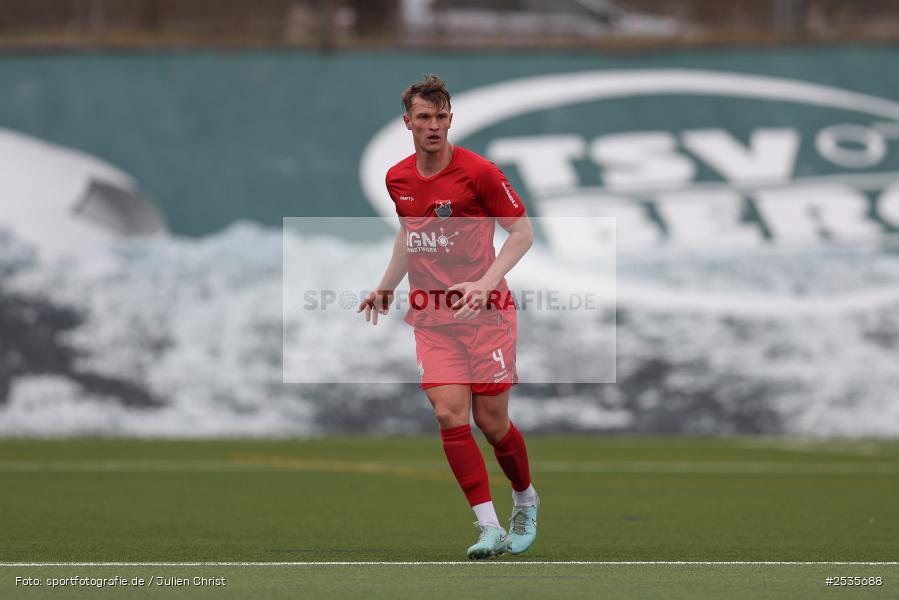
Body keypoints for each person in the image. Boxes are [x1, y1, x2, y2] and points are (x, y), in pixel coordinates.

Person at [357, 74, 539, 560]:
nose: (433, 125)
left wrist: (485, 284)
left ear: (451, 119)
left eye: (440, 117)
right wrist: (386, 285)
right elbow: (410, 235)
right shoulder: (397, 178)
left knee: (492, 423)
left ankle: (525, 499)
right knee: (448, 414)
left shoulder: (479, 172)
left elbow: (522, 233)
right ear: (408, 123)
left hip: (486, 314)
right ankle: (488, 527)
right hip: (432, 317)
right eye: (424, 117)